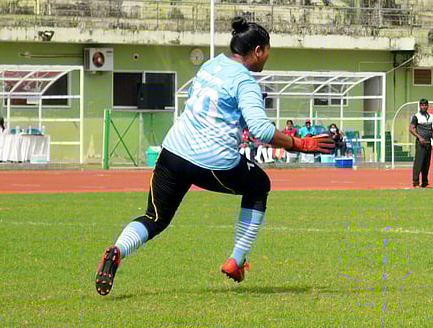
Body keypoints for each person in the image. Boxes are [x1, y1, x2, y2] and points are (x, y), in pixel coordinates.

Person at [94, 17, 334, 295]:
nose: (268, 57)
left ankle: (118, 249)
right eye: (267, 51)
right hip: (213, 161)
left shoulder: (210, 65)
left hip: (173, 152)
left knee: (155, 218)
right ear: (257, 51)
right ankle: (237, 260)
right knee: (259, 185)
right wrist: (299, 144)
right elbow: (260, 130)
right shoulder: (245, 82)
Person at [410, 98, 433, 188]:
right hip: (420, 143)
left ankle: (425, 182)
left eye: (425, 105)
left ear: (428, 106)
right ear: (420, 106)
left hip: (428, 143)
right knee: (419, 163)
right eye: (422, 105)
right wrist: (419, 137)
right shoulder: (416, 116)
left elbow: (431, 130)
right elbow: (411, 129)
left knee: (426, 164)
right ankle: (415, 183)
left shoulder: (430, 116)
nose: (424, 107)